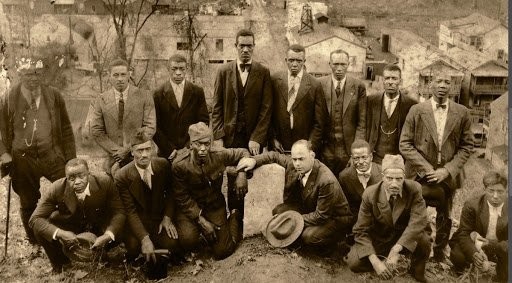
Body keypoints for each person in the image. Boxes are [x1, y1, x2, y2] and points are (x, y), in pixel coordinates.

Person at [0, 56, 76, 244]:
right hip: (22, 159)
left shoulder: (54, 95)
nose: (33, 78)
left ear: (42, 74)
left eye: (37, 73)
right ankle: (34, 240)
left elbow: (66, 127)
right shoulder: (8, 98)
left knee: (68, 191)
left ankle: (69, 232)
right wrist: (4, 153)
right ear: (19, 75)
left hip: (51, 154)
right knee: (28, 201)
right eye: (27, 74)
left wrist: (70, 158)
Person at [399, 69, 473, 261]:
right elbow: (404, 144)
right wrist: (427, 169)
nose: (442, 86)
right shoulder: (416, 111)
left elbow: (467, 146)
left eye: (447, 82)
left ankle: (439, 253)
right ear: (431, 84)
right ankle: (414, 250)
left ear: (453, 86)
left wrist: (447, 171)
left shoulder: (462, 112)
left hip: (448, 175)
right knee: (414, 211)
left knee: (446, 215)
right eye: (438, 81)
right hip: (419, 173)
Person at [237, 139, 352, 255]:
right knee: (279, 211)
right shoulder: (294, 164)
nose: (297, 163)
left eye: (301, 159)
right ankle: (299, 239)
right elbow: (274, 156)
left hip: (334, 218)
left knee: (308, 236)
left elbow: (321, 216)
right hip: (311, 208)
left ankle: (334, 245)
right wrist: (253, 160)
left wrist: (293, 221)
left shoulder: (326, 180)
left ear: (312, 155)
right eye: (294, 159)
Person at [211, 29, 272, 232]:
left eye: (249, 46)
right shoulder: (223, 71)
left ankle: (251, 224)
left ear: (254, 47)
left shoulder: (263, 73)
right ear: (235, 46)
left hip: (251, 138)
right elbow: (216, 107)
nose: (245, 50)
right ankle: (233, 219)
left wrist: (257, 138)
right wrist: (218, 138)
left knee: (250, 175)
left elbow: (266, 109)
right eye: (241, 46)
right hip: (229, 138)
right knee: (230, 176)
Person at [29, 158, 125, 272]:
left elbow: (119, 211)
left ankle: (104, 254)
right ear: (66, 177)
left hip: (98, 224)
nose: (77, 182)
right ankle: (61, 264)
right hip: (73, 227)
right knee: (41, 229)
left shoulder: (105, 182)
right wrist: (61, 233)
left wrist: (108, 234)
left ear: (89, 173)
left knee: (120, 227)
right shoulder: (57, 188)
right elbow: (34, 219)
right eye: (72, 178)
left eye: (81, 176)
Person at [347, 154, 431, 282]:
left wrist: (397, 248)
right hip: (380, 237)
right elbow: (360, 230)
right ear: (382, 177)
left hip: (403, 236)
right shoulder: (370, 194)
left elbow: (418, 221)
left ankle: (416, 270)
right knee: (354, 263)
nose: (394, 184)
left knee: (424, 240)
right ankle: (382, 261)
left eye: (399, 179)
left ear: (404, 177)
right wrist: (375, 262)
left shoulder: (414, 189)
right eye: (389, 178)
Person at [172, 122, 249, 259]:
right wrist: (201, 220)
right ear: (191, 144)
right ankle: (200, 233)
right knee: (188, 240)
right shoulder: (180, 165)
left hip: (214, 206)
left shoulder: (219, 154)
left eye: (207, 144)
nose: (203, 149)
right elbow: (182, 197)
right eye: (198, 144)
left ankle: (234, 216)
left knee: (223, 251)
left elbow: (243, 152)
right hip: (191, 209)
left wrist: (242, 173)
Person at [115, 129, 179, 264]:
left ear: (152, 150)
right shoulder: (122, 176)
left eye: (147, 149)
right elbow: (130, 210)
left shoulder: (163, 165)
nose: (144, 155)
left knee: (172, 244)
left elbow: (171, 194)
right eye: (139, 151)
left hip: (158, 219)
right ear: (132, 152)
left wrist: (167, 218)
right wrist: (144, 238)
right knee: (133, 247)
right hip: (138, 221)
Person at [91, 58, 156, 175]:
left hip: (139, 156)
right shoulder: (101, 99)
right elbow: (96, 131)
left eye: (123, 74)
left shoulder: (144, 96)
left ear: (129, 75)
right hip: (113, 159)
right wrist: (117, 152)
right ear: (109, 76)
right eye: (116, 75)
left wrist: (128, 149)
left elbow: (150, 127)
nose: (120, 79)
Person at [449, 171, 508, 282]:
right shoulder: (472, 205)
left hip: (499, 246)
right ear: (485, 189)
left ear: (506, 191)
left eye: (500, 191)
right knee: (458, 256)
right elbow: (464, 233)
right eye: (491, 191)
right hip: (476, 244)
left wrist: (494, 246)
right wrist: (474, 253)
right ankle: (465, 269)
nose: (495, 196)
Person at [270, 44, 328, 154]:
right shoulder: (274, 80)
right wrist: (272, 139)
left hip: (304, 147)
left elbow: (319, 122)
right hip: (279, 146)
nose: (295, 64)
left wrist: (310, 145)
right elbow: (268, 114)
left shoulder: (314, 84)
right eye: (291, 60)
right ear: (286, 60)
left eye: (299, 61)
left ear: (304, 61)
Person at [319, 49, 367, 175]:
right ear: (329, 64)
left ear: (348, 64)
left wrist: (356, 152)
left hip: (347, 149)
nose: (339, 68)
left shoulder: (358, 86)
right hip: (325, 149)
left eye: (343, 64)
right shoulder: (319, 84)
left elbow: (361, 123)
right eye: (335, 64)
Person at [153, 54, 209, 160]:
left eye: (182, 69)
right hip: (167, 153)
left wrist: (189, 147)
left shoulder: (197, 92)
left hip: (192, 151)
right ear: (168, 69)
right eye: (174, 69)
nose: (178, 73)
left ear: (186, 69)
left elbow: (203, 121)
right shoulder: (158, 94)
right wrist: (169, 149)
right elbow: (154, 126)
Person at [365, 64, 416, 164]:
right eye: (387, 78)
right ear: (383, 81)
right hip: (375, 158)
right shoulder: (371, 101)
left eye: (394, 78)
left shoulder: (411, 104)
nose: (390, 82)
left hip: (400, 160)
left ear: (400, 81)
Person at [338, 139, 382, 220]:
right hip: (356, 220)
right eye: (356, 158)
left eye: (364, 157)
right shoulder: (344, 177)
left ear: (371, 157)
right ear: (351, 158)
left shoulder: (383, 173)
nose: (361, 161)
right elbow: (346, 207)